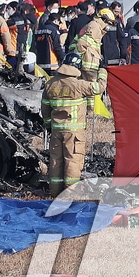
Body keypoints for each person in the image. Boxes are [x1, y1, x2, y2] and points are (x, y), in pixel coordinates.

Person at [42, 62, 102, 196]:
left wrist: (48, 125)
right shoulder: (79, 85)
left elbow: (45, 107)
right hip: (74, 134)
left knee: (56, 162)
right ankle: (70, 194)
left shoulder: (50, 84)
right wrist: (102, 72)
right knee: (72, 162)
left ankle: (55, 192)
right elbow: (99, 88)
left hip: (56, 131)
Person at [35, 0, 67, 68]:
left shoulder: (46, 19)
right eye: (55, 8)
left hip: (42, 57)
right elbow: (55, 45)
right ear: (49, 8)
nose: (57, 9)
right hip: (50, 58)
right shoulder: (45, 18)